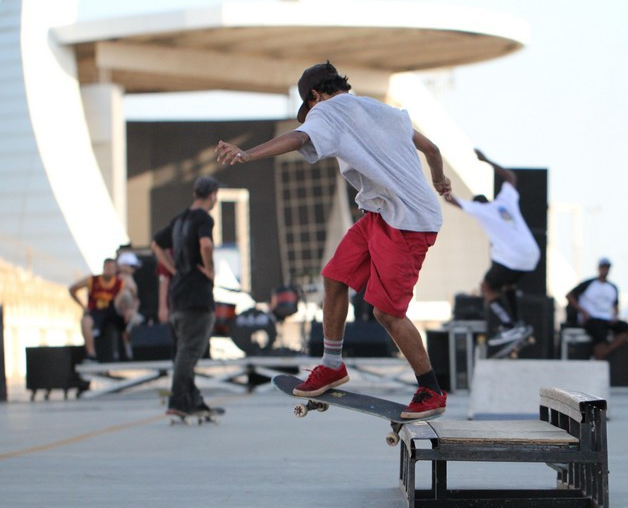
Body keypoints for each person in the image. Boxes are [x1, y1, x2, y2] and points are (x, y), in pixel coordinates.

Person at [215, 61, 452, 419]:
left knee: (387, 312)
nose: (310, 117)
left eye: (308, 109)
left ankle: (431, 388)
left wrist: (249, 153)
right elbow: (432, 149)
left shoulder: (325, 111)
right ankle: (332, 365)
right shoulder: (381, 109)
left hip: (407, 222)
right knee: (334, 276)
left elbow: (299, 138)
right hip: (380, 213)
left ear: (314, 96)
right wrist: (439, 181)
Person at [444, 149, 540, 347]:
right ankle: (518, 323)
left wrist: (441, 183)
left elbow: (450, 199)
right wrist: (486, 160)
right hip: (532, 255)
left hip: (513, 257)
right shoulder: (505, 201)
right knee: (507, 285)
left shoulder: (480, 210)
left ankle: (508, 325)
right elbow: (511, 176)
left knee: (487, 287)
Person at [151, 176, 220, 417]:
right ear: (212, 195)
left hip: (178, 294)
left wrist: (173, 269)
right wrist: (209, 269)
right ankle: (178, 400)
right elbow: (206, 245)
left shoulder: (179, 219)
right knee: (189, 351)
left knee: (184, 351)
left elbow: (156, 245)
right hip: (196, 295)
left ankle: (192, 399)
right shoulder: (203, 218)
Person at [566, 258, 628, 360]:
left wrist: (614, 316)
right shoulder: (589, 284)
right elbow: (569, 295)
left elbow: (615, 306)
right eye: (603, 267)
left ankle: (606, 351)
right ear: (598, 268)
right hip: (592, 319)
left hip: (607, 319)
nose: (605, 270)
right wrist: (581, 311)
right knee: (599, 336)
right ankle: (599, 356)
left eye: (607, 267)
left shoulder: (612, 287)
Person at [68, 258, 124, 362]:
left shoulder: (120, 283)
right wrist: (83, 306)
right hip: (95, 312)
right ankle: (91, 354)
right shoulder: (92, 280)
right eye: (108, 268)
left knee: (126, 320)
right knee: (85, 321)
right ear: (103, 268)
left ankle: (126, 353)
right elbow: (72, 289)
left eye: (112, 268)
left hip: (112, 312)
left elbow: (131, 295)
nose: (109, 270)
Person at [113, 251, 144, 359]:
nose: (134, 269)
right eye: (132, 266)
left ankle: (131, 352)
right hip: (121, 314)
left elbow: (135, 299)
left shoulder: (129, 279)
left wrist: (133, 310)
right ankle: (126, 353)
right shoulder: (119, 280)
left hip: (130, 313)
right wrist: (125, 311)